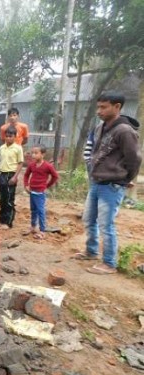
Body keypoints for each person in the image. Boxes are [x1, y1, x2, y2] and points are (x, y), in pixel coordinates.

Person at [74, 91, 142, 274]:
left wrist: (125, 179)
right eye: (98, 106)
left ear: (117, 107)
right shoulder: (100, 128)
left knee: (106, 224)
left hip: (112, 185)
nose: (99, 111)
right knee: (89, 219)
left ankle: (109, 263)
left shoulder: (125, 131)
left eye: (103, 107)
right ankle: (91, 251)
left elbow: (134, 159)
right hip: (96, 182)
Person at [23, 145, 58, 239]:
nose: (33, 155)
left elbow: (55, 176)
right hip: (32, 192)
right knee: (33, 210)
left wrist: (47, 185)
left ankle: (42, 231)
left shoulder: (47, 166)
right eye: (32, 153)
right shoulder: (32, 165)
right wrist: (26, 185)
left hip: (40, 193)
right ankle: (33, 227)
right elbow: (26, 175)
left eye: (36, 153)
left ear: (43, 154)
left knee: (41, 211)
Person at [0, 125, 24, 229]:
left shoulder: (18, 148)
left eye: (11, 136)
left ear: (15, 136)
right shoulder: (2, 147)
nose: (8, 138)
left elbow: (20, 163)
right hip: (2, 174)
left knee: (9, 199)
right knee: (2, 198)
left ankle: (8, 222)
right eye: (7, 136)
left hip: (11, 174)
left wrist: (15, 177)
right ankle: (2, 219)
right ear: (4, 136)